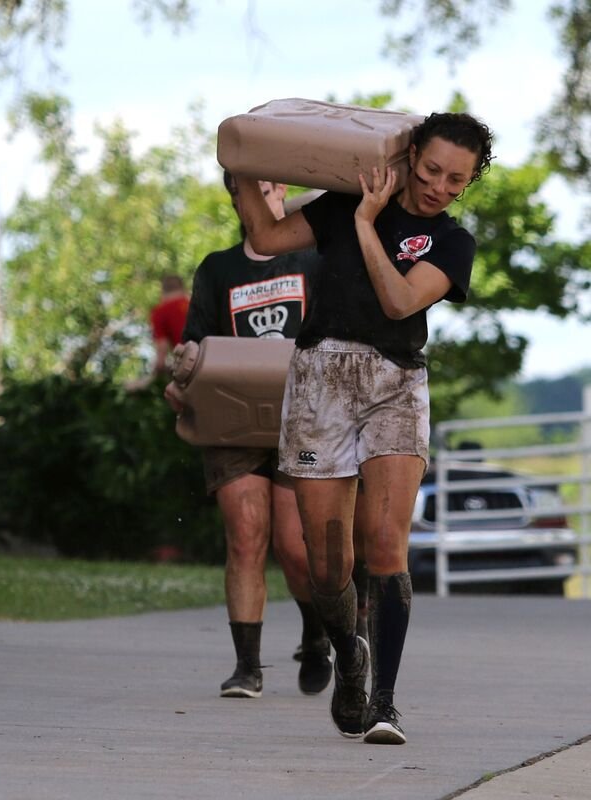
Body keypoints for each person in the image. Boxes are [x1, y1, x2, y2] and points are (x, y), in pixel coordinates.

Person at [236, 111, 494, 744]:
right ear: (410, 157)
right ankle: (348, 656)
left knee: (385, 543)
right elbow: (266, 236)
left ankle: (384, 700)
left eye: (456, 180)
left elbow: (400, 301)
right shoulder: (342, 200)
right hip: (320, 378)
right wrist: (240, 171)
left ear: (467, 184)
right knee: (329, 565)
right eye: (431, 169)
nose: (439, 186)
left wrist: (365, 226)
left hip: (395, 386)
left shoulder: (452, 242)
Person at [165, 171, 332, 699]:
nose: (259, 196)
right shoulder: (217, 269)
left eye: (269, 186)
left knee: (295, 546)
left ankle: (315, 630)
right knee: (245, 537)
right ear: (234, 198)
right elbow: (196, 343)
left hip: (303, 417)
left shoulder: (315, 259)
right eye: (246, 189)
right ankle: (247, 666)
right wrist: (183, 372)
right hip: (234, 420)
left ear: (283, 191)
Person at [150, 274, 190, 377]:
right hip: (213, 357)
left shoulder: (160, 312)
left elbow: (162, 349)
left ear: (162, 291)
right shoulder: (195, 303)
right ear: (183, 288)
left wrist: (156, 373)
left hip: (189, 364)